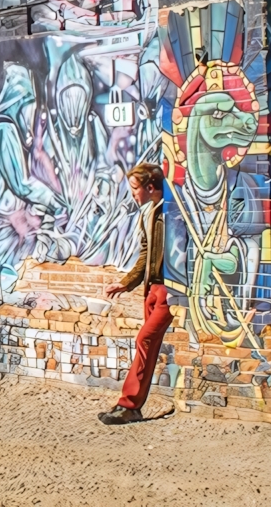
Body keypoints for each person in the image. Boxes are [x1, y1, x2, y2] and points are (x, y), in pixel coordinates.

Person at [99, 163, 169, 424]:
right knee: (147, 347)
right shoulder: (147, 214)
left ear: (150, 188)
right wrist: (126, 283)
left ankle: (128, 405)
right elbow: (145, 254)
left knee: (145, 340)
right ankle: (132, 406)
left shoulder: (170, 213)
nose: (132, 196)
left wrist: (176, 289)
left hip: (168, 291)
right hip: (151, 289)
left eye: (134, 190)